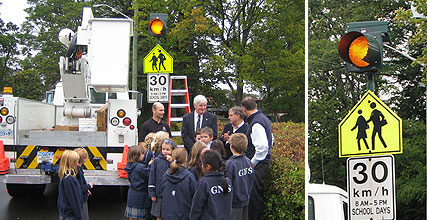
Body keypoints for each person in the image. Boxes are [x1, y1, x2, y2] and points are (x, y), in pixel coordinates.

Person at [241, 96, 273, 220]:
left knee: (254, 197)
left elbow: (262, 147)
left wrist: (253, 163)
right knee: (256, 195)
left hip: (259, 164)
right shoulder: (263, 119)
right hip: (263, 162)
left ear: (244, 109)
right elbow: (271, 139)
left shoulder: (256, 123)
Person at [189, 150, 232, 220]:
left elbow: (196, 207)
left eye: (202, 164)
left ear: (208, 166)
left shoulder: (204, 183)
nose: (201, 166)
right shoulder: (228, 181)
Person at [159, 148, 197, 220]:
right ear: (186, 159)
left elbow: (161, 191)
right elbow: (195, 196)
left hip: (168, 214)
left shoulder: (165, 175)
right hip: (184, 214)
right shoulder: (189, 177)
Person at [226, 133, 255, 220]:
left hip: (234, 203)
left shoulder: (230, 164)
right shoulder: (248, 161)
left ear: (231, 146)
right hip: (246, 199)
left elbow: (228, 184)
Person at [148, 138, 176, 220]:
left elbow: (177, 172)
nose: (165, 151)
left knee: (169, 214)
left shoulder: (174, 161)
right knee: (159, 215)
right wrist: (152, 193)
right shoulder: (156, 161)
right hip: (159, 193)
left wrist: (172, 162)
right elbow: (152, 177)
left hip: (171, 193)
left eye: (168, 150)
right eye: (163, 149)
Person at [124, 145, 151, 220]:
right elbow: (149, 174)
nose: (143, 155)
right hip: (141, 196)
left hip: (132, 195)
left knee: (132, 217)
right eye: (142, 154)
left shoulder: (129, 165)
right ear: (137, 156)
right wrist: (150, 165)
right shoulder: (140, 167)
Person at [58, 150, 83, 220]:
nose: (78, 164)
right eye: (76, 162)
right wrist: (78, 216)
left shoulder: (65, 176)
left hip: (65, 213)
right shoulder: (69, 179)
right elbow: (73, 199)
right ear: (71, 163)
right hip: (69, 215)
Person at [74, 148, 94, 220]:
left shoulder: (74, 169)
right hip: (81, 199)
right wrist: (88, 186)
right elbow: (79, 188)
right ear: (84, 159)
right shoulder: (78, 171)